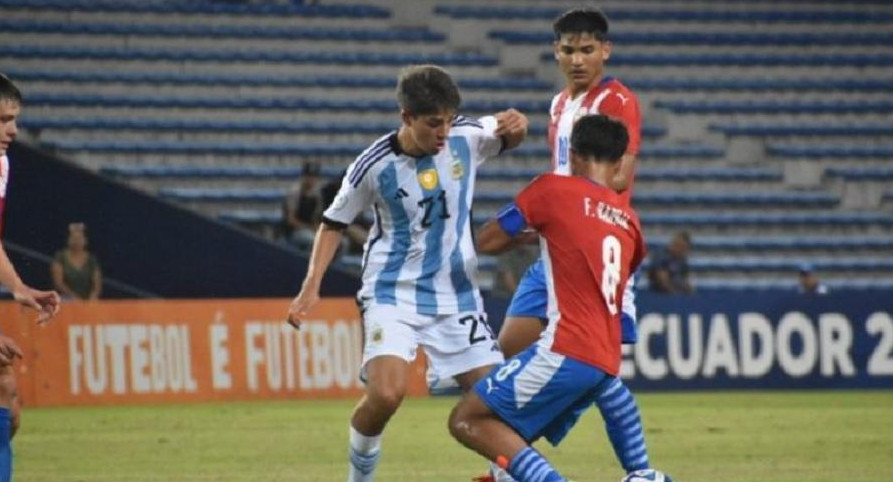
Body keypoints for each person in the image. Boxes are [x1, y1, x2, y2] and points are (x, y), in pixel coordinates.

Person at [285, 64, 528, 482]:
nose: (444, 132)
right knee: (386, 394)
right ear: (406, 117)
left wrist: (518, 124)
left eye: (449, 121)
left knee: (498, 401)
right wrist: (312, 285)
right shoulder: (373, 166)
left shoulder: (466, 135)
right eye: (434, 123)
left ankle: (505, 476)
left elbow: (510, 133)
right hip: (392, 293)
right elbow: (333, 222)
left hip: (456, 294)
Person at [483, 8, 650, 481]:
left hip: (593, 247)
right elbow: (564, 177)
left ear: (605, 50)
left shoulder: (617, 100)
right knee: (512, 349)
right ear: (556, 52)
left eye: (587, 49)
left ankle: (639, 472)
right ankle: (514, 462)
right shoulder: (558, 104)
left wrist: (572, 213)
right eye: (568, 50)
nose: (578, 59)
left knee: (595, 367)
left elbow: (619, 176)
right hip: (555, 249)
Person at [450, 115, 646, 482]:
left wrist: (527, 230)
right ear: (620, 162)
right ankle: (641, 472)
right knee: (511, 433)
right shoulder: (630, 221)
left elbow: (488, 240)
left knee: (467, 418)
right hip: (605, 359)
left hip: (566, 348)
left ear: (570, 155)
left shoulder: (553, 190)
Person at [0, 72, 62, 482]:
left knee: (7, 400)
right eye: (3, 119)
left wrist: (17, 286)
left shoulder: (0, 164)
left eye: (15, 119)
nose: (14, 129)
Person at [51, 223, 102, 300]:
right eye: (74, 238)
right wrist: (74, 297)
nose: (77, 241)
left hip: (87, 300)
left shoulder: (91, 259)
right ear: (68, 239)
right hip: (66, 298)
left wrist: (93, 297)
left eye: (80, 238)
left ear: (85, 240)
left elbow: (97, 285)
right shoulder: (60, 257)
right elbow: (59, 283)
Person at [281, 161, 323, 250]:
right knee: (313, 240)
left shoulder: (316, 195)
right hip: (295, 232)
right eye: (309, 176)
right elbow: (291, 220)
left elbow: (316, 218)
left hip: (310, 230)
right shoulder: (295, 193)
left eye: (314, 177)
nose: (311, 180)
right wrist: (308, 227)